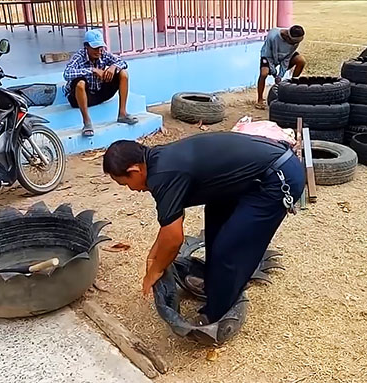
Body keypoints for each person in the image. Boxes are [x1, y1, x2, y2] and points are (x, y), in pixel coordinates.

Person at [102, 133, 305, 324]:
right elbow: (171, 220)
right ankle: (214, 286)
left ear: (135, 171)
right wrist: (153, 256)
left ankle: (216, 314)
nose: (132, 189)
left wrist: (154, 271)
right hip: (252, 176)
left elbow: (173, 240)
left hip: (277, 178)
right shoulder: (157, 161)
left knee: (228, 248)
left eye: (126, 183)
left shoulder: (162, 175)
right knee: (215, 224)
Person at [63, 30, 138, 137]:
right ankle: (87, 122)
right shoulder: (79, 57)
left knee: (123, 74)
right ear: (86, 46)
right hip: (80, 98)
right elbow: (67, 74)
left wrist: (113, 67)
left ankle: (122, 114)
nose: (98, 51)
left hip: (100, 93)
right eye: (95, 48)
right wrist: (92, 70)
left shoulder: (103, 54)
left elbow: (123, 62)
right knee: (80, 83)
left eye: (100, 47)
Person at [256, 25, 307, 109]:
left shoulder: (295, 42)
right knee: (264, 73)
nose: (294, 44)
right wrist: (274, 73)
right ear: (287, 37)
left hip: (284, 56)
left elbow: (288, 57)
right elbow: (268, 55)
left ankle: (293, 86)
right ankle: (260, 99)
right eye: (292, 42)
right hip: (269, 56)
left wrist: (280, 75)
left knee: (301, 61)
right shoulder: (273, 36)